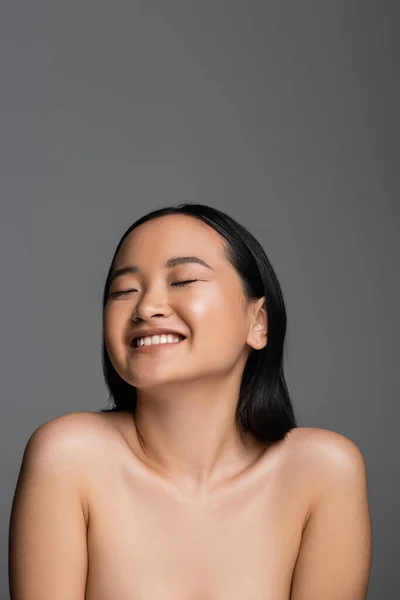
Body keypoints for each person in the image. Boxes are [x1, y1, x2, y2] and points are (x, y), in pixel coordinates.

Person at [8, 203, 372, 599]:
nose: (146, 307)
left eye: (183, 280)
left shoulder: (322, 471)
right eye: (123, 291)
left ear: (258, 322)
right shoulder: (69, 455)